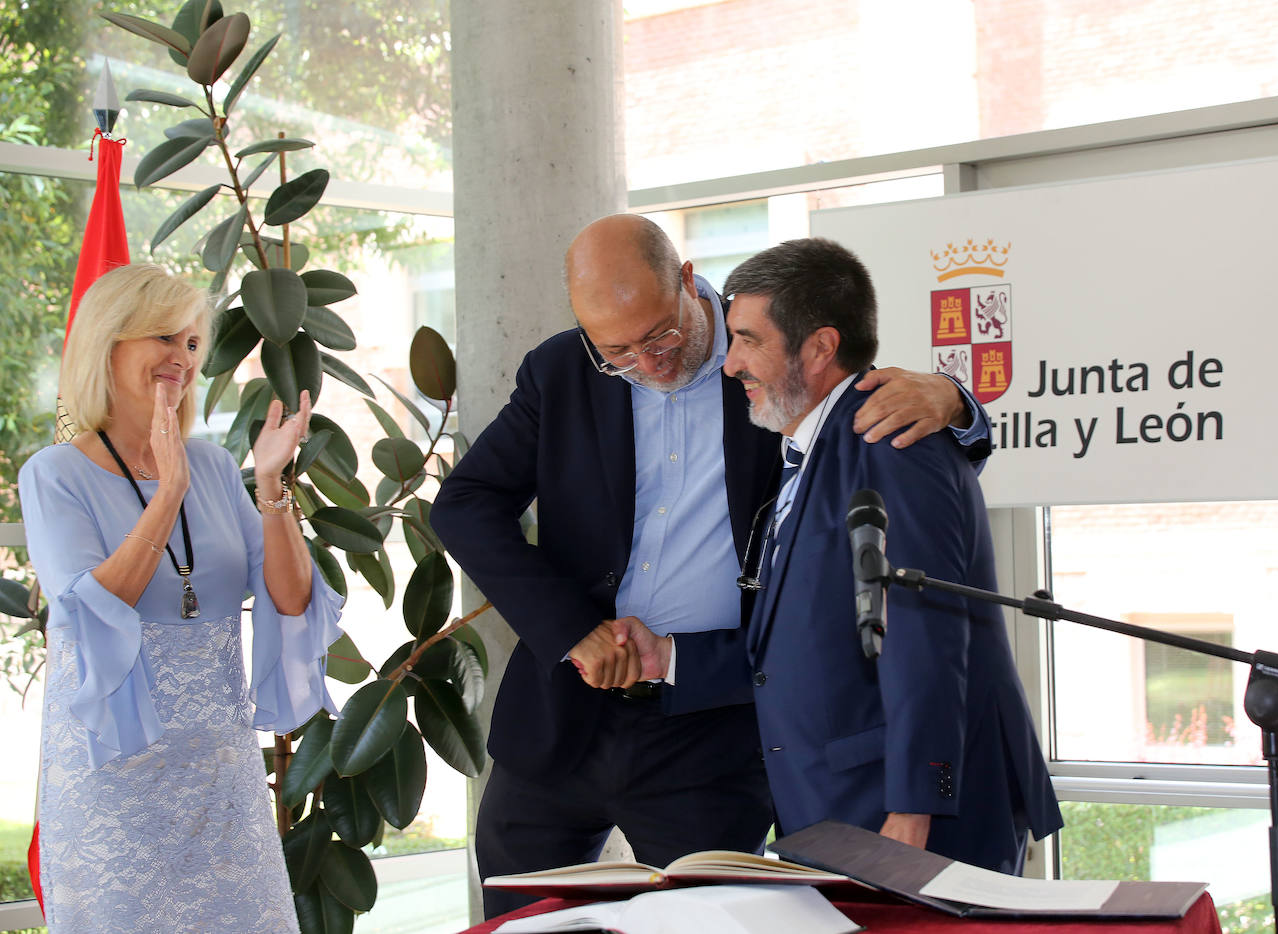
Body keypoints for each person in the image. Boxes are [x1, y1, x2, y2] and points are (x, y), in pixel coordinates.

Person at [429, 213, 992, 918]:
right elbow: (464, 505)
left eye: (661, 335)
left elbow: (874, 418)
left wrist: (958, 401)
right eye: (618, 352)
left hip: (713, 728)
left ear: (689, 282)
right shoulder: (562, 370)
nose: (647, 362)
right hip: (562, 718)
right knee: (517, 927)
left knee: (706, 924)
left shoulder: (766, 355)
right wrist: (573, 630)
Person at [709, 237, 1062, 873]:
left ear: (819, 346)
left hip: (899, 817)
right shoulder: (808, 445)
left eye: (748, 339)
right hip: (835, 806)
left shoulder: (892, 438)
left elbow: (927, 628)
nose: (731, 363)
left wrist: (914, 804)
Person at [19, 264, 342, 932]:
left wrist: (271, 485)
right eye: (162, 338)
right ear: (110, 344)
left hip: (220, 779)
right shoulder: (53, 475)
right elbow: (89, 610)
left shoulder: (219, 467)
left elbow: (290, 600)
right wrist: (166, 492)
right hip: (113, 783)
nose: (182, 358)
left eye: (192, 343)